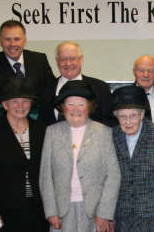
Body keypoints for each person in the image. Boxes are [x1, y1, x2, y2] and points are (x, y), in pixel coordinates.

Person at [39, 80, 121, 232]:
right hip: (62, 211)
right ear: (63, 108)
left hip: (94, 211)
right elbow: (46, 176)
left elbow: (114, 175)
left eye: (81, 104)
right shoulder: (52, 132)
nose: (75, 109)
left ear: (89, 107)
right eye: (70, 104)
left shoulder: (103, 132)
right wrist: (51, 211)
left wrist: (104, 213)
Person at [0, 78, 48, 232]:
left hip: (39, 209)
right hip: (5, 210)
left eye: (25, 101)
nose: (20, 106)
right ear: (4, 104)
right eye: (15, 101)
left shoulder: (43, 130)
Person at [110, 86, 154, 231]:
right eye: (122, 117)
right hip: (121, 213)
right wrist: (109, 214)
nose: (128, 121)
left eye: (133, 115)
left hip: (151, 213)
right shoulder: (112, 136)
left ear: (142, 115)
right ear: (116, 117)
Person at [39, 41, 115, 126]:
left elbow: (108, 123)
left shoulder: (100, 88)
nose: (68, 63)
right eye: (63, 59)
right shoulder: (45, 89)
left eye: (72, 59)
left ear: (81, 59)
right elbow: (41, 124)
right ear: (57, 61)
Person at [0, 20, 55, 104]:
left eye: (17, 39)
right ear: (1, 41)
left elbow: (51, 92)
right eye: (7, 39)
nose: (12, 44)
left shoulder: (40, 59)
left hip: (40, 115)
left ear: (24, 40)